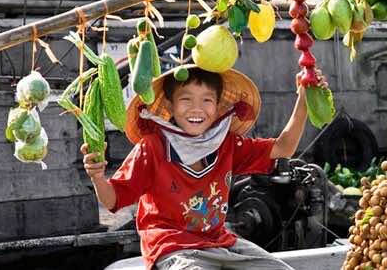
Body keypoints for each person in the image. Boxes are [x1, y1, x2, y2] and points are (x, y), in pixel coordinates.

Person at [82, 64, 326, 270]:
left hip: (220, 242)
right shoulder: (153, 147)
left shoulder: (226, 143)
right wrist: (97, 176)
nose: (196, 109)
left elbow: (284, 148)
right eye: (185, 99)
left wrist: (303, 98)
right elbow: (113, 199)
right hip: (171, 246)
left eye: (206, 100)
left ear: (218, 105)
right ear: (170, 105)